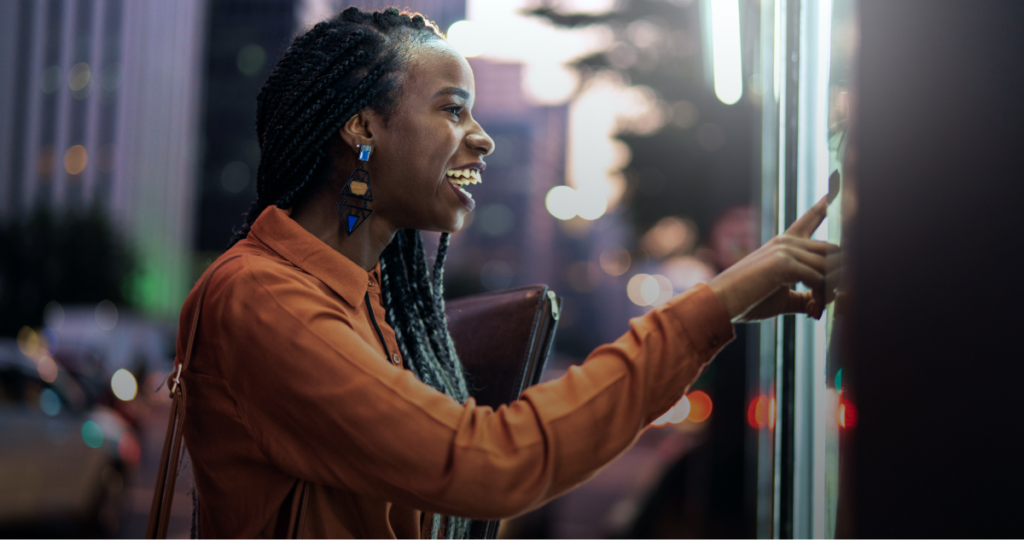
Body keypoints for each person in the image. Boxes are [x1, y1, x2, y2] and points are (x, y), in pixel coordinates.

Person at [177, 7, 834, 540]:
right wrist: (709, 307)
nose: (482, 137)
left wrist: (724, 309)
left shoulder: (370, 298)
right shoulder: (263, 297)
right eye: (452, 108)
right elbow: (486, 461)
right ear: (362, 125)